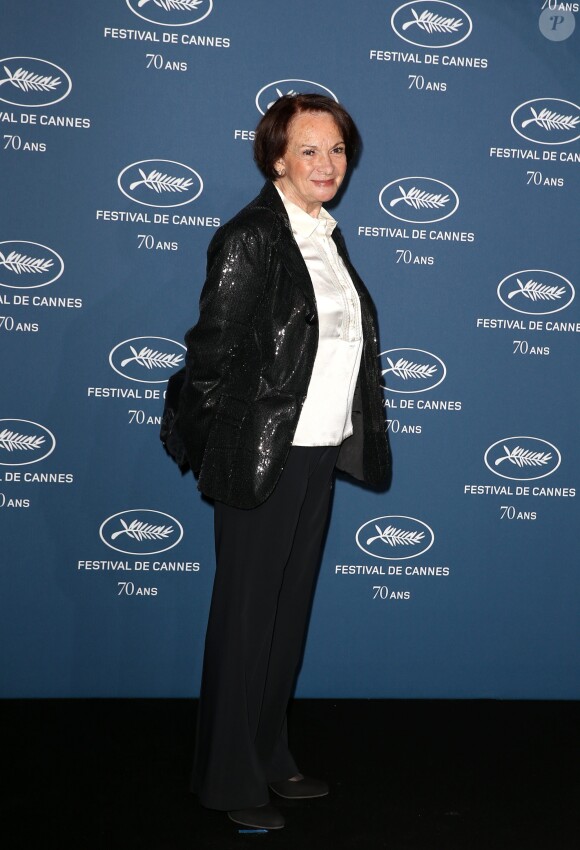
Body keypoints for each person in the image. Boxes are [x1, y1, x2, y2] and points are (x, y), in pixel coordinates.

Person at [162, 93, 390, 830]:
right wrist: (209, 449)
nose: (328, 165)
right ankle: (228, 781)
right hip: (260, 457)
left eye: (338, 150)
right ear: (276, 159)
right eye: (311, 150)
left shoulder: (326, 234)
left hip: (317, 453)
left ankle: (269, 755)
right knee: (246, 620)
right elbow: (211, 355)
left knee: (287, 619)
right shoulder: (252, 236)